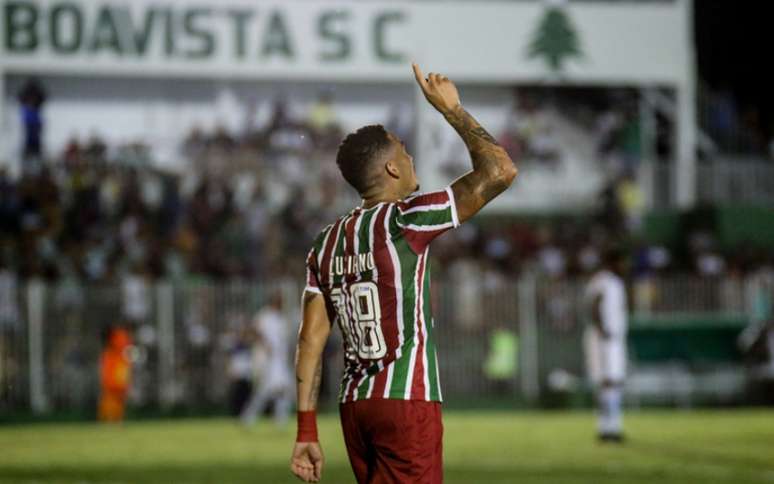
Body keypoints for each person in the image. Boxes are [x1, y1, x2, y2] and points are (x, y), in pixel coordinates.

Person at [290, 63, 517, 484]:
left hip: (355, 407)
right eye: (406, 154)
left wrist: (306, 427)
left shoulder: (325, 242)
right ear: (392, 170)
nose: (413, 161)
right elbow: (500, 172)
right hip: (406, 401)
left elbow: (310, 339)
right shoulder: (405, 220)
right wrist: (453, 111)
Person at [584, 248, 629, 443]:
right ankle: (607, 427)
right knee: (607, 382)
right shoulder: (605, 280)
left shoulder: (611, 281)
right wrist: (602, 329)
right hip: (604, 338)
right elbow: (594, 304)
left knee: (613, 382)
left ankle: (611, 427)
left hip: (612, 338)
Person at [240, 293, 293, 427]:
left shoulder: (281, 318)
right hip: (268, 359)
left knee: (282, 390)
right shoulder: (264, 315)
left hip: (279, 360)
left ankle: (280, 419)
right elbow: (254, 330)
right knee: (265, 392)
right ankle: (248, 418)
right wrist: (265, 344)